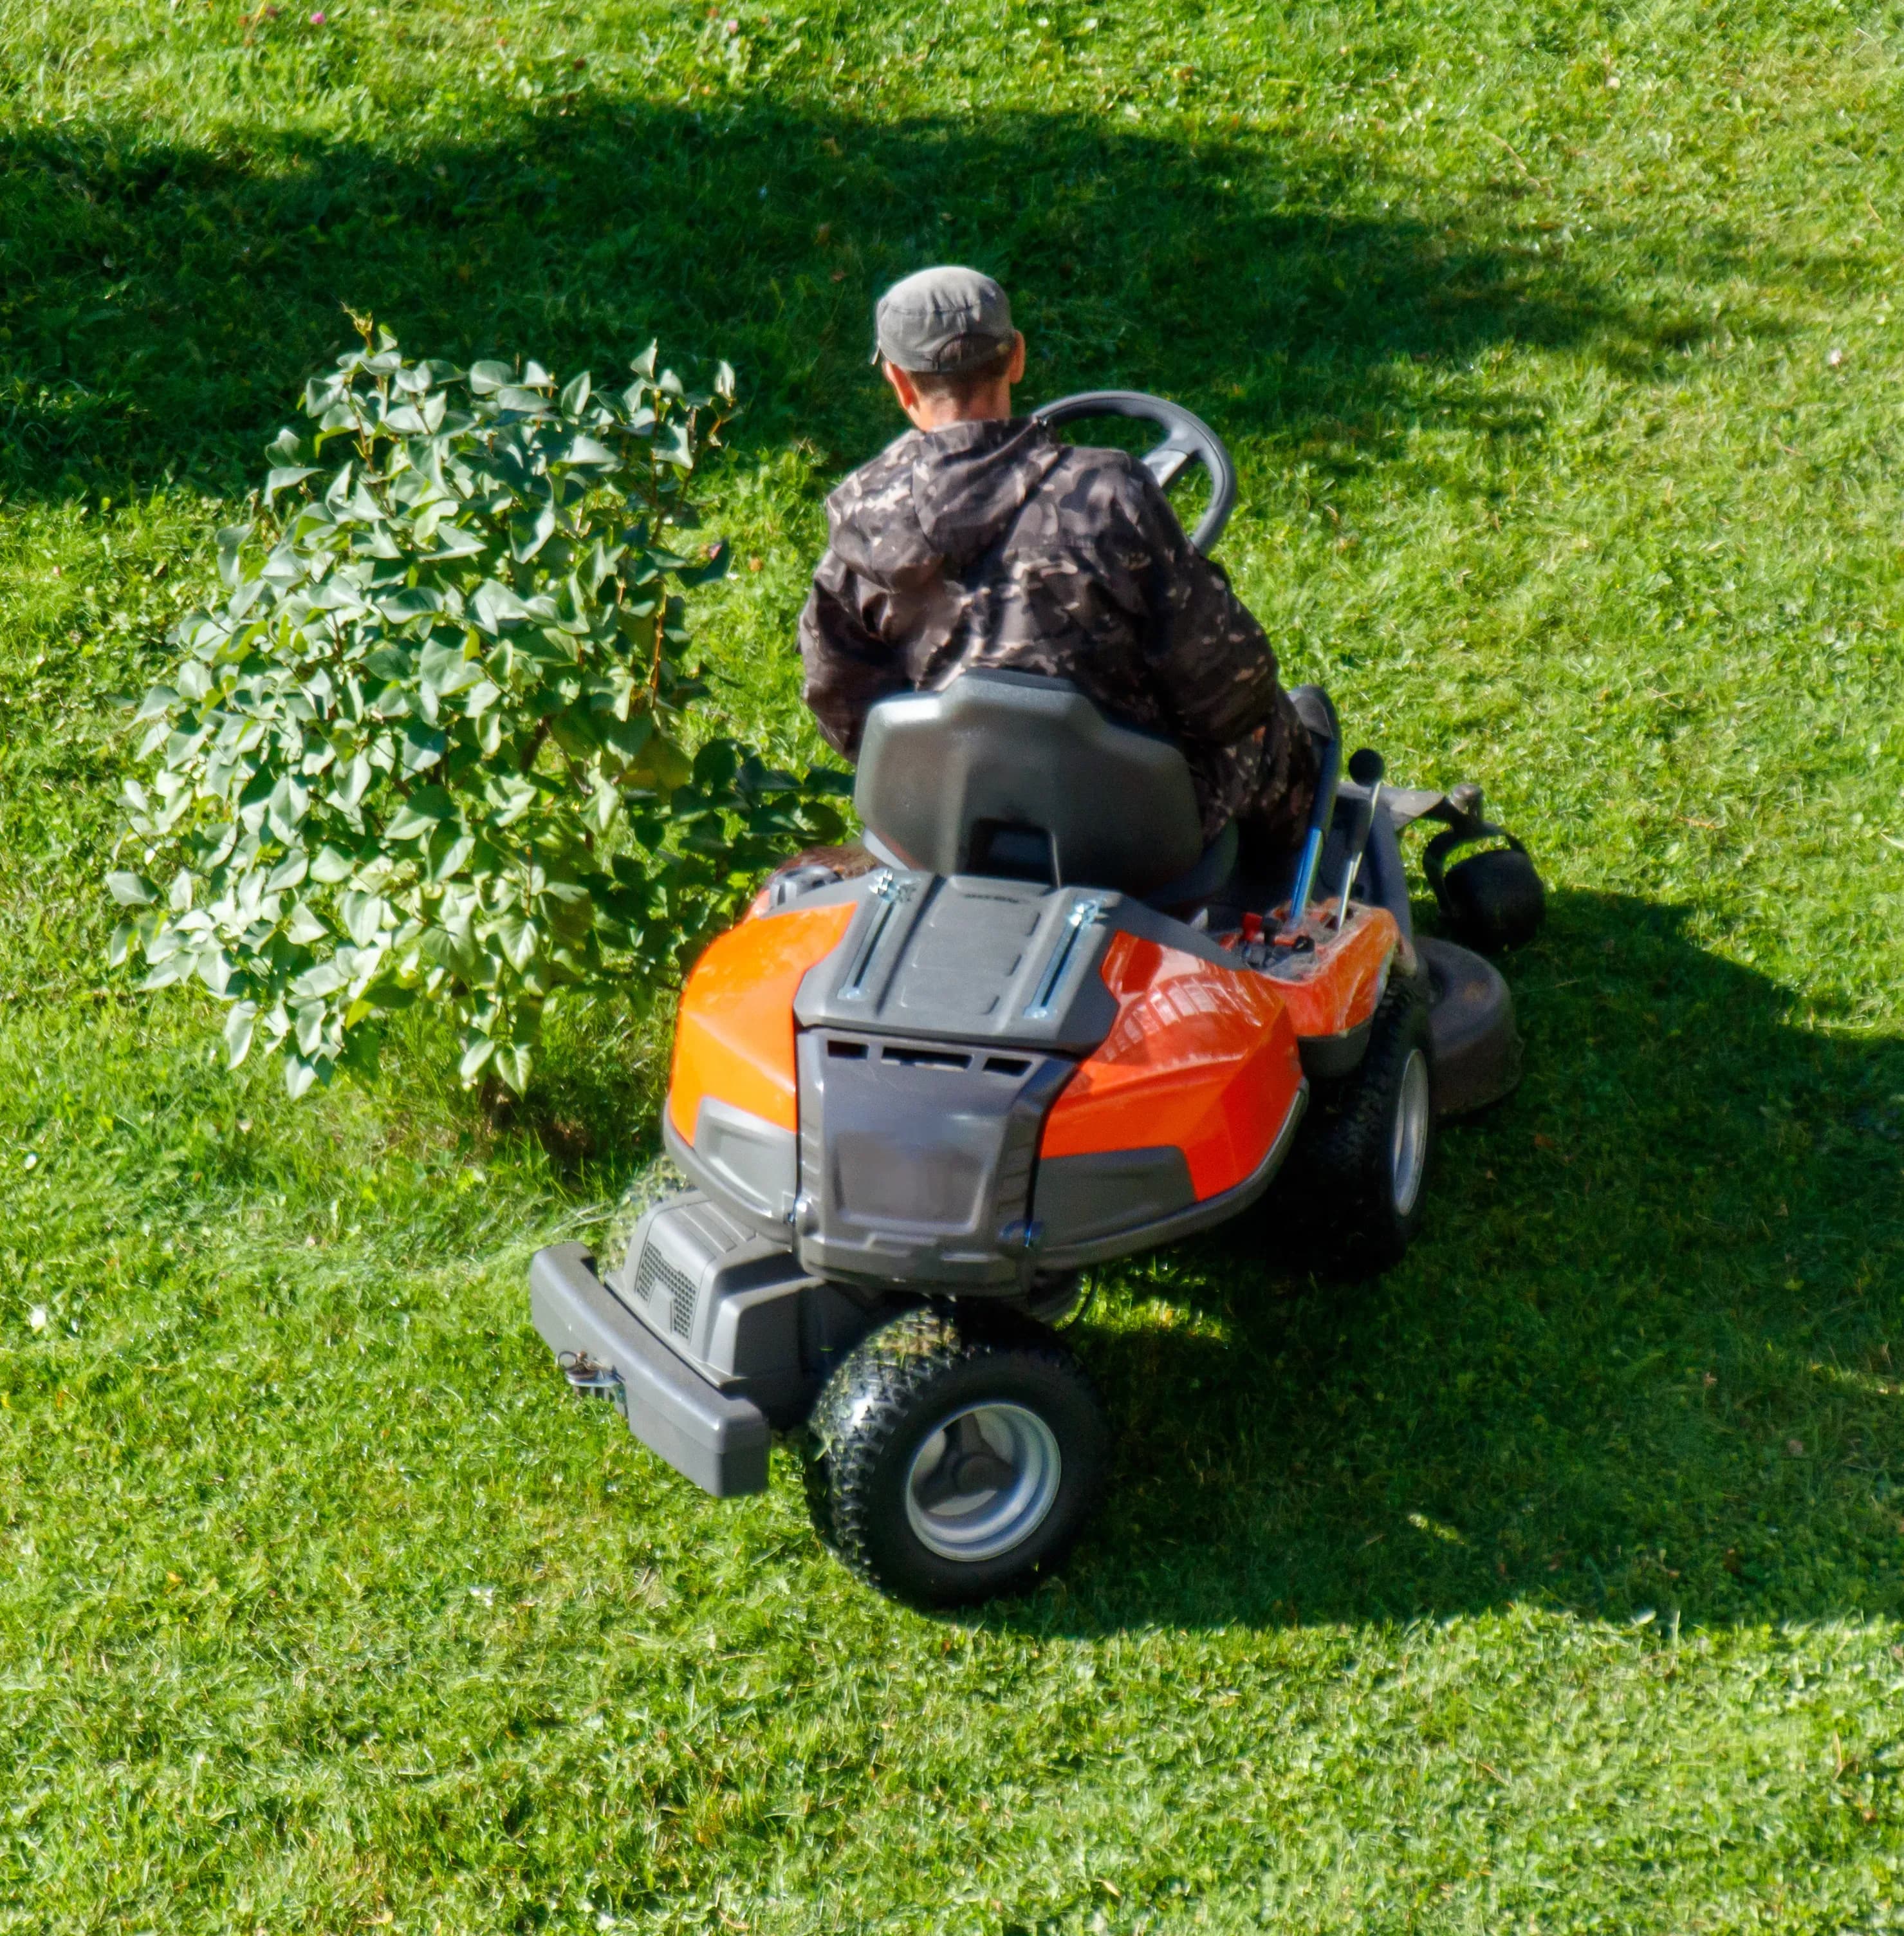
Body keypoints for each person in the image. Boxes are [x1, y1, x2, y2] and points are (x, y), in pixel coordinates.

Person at [797, 265, 1318, 862]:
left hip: (949, 815)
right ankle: (1300, 898)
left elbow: (842, 704)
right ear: (1015, 357)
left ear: (898, 381)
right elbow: (1229, 686)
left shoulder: (859, 515)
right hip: (1131, 824)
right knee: (1273, 724)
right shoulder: (1108, 494)